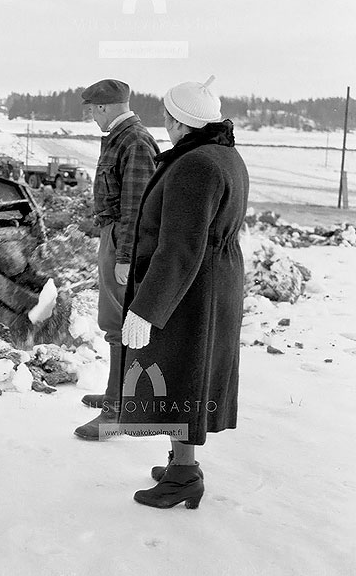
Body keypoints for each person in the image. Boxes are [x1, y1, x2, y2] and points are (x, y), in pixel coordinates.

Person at [118, 78, 248, 509]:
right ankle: (180, 461)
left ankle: (183, 477)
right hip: (211, 281)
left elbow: (180, 245)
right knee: (185, 378)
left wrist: (146, 309)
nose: (166, 125)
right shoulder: (223, 154)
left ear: (178, 120)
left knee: (181, 379)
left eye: (167, 117)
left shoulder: (195, 166)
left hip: (190, 291)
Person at [74, 79, 159, 440]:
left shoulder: (134, 141)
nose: (91, 116)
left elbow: (137, 208)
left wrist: (125, 256)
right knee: (113, 321)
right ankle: (116, 395)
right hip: (112, 236)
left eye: (92, 110)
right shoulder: (121, 137)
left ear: (106, 107)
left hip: (123, 241)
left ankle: (117, 411)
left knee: (119, 324)